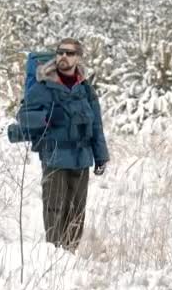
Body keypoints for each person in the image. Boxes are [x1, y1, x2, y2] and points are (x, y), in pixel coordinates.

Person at [15, 38, 110, 251]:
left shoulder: (85, 89)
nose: (63, 57)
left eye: (69, 53)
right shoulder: (44, 86)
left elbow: (96, 125)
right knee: (54, 206)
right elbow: (23, 116)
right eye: (60, 52)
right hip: (55, 155)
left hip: (82, 156)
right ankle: (54, 253)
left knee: (77, 208)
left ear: (78, 57)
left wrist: (101, 156)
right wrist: (47, 118)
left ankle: (70, 251)